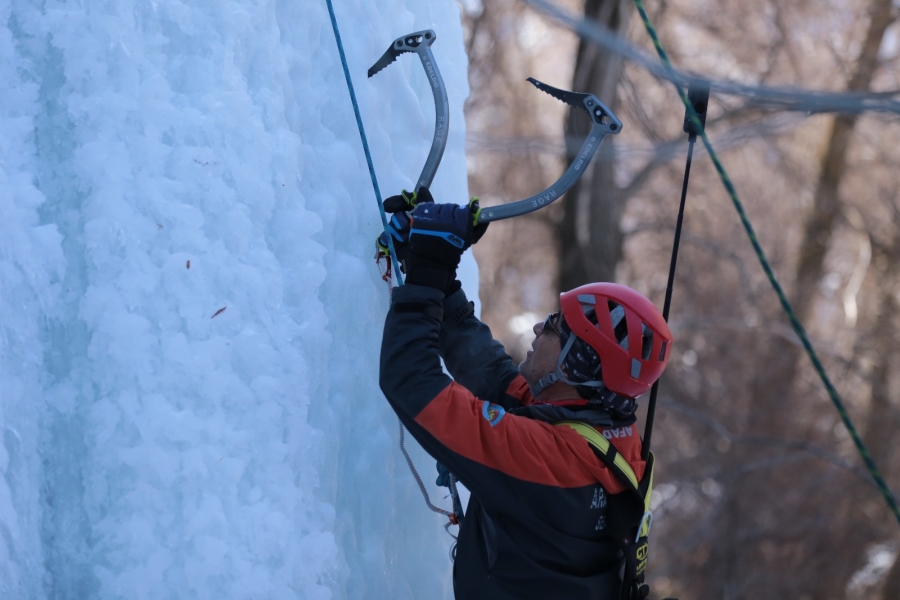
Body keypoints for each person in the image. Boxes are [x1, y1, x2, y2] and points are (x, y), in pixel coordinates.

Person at [378, 188, 673, 600]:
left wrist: (426, 274)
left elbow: (412, 383)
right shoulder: (608, 437)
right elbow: (502, 387)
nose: (537, 329)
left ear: (575, 364)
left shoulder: (550, 459)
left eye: (553, 327)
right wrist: (440, 283)